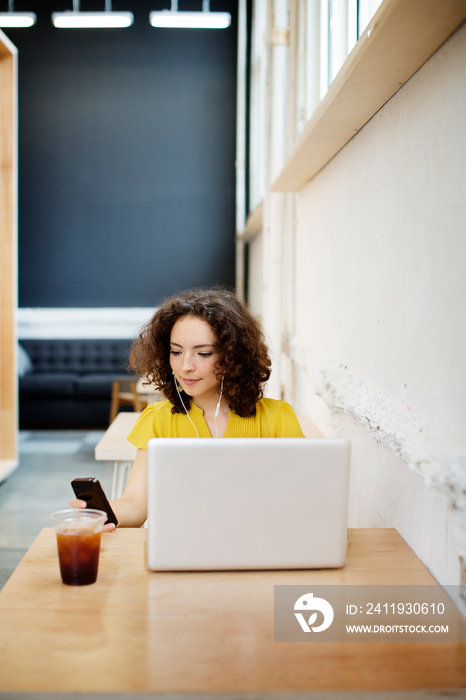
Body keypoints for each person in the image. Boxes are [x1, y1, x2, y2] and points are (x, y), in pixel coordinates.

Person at [71, 287, 304, 529]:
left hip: (259, 542)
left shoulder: (277, 418)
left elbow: (300, 500)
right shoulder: (157, 420)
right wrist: (100, 512)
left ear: (233, 355)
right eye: (176, 352)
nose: (185, 367)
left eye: (203, 353)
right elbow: (136, 505)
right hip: (180, 548)